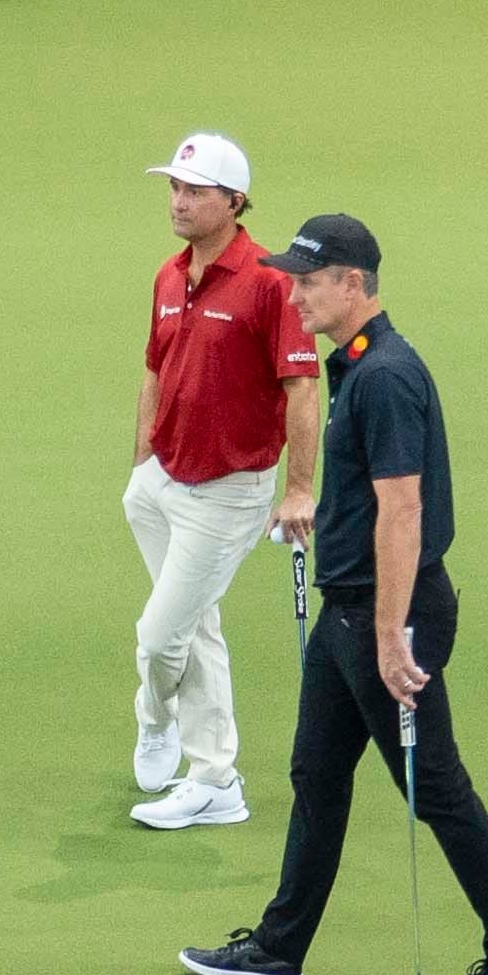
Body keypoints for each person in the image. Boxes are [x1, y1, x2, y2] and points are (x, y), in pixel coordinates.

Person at [177, 211, 488, 975]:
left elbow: (404, 510)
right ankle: (279, 948)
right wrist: (322, 511)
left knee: (435, 786)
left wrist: (389, 634)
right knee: (316, 775)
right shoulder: (352, 365)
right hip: (349, 616)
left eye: (308, 283)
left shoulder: (382, 375)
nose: (295, 295)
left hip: (385, 616)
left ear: (354, 285)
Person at [121, 129, 316, 830]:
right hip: (159, 484)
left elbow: (300, 388)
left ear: (233, 202)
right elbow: (153, 367)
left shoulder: (269, 280)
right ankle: (215, 780)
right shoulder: (167, 276)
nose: (177, 200)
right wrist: (141, 459)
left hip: (228, 490)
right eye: (173, 186)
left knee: (158, 635)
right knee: (193, 625)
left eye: (193, 190)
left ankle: (156, 723)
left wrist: (298, 489)